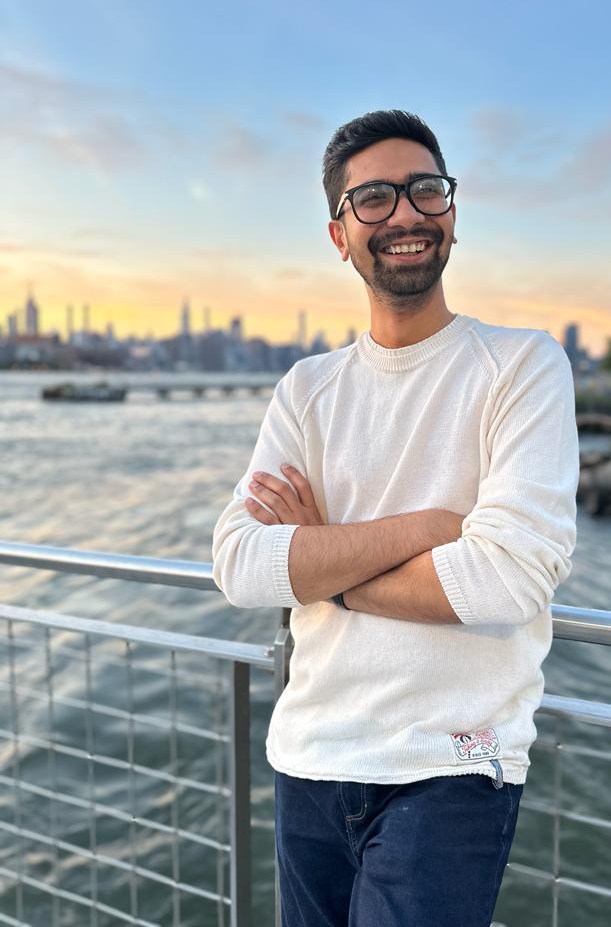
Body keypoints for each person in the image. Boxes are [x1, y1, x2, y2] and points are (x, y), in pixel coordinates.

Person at [211, 110, 579, 927]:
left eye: (425, 190)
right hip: (308, 756)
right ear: (339, 236)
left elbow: (506, 578)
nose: (406, 213)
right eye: (373, 198)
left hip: (452, 764)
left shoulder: (521, 366)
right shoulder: (306, 390)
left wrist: (324, 567)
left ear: (452, 211)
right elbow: (239, 563)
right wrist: (429, 528)